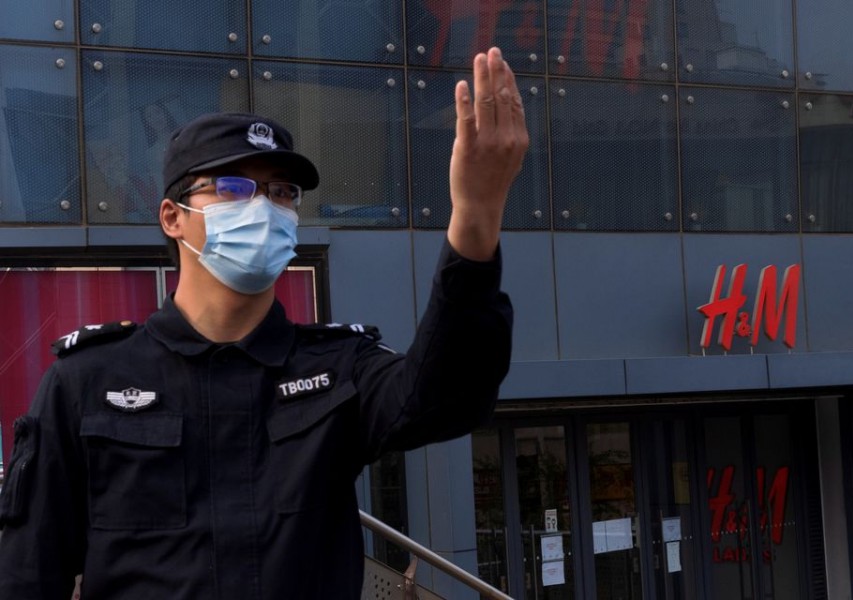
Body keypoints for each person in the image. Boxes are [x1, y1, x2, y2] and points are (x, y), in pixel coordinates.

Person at [0, 46, 528, 599]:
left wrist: (476, 215)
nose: (263, 207)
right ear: (173, 217)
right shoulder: (88, 381)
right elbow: (28, 575)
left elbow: (447, 396)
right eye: (232, 187)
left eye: (281, 192)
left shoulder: (336, 368)